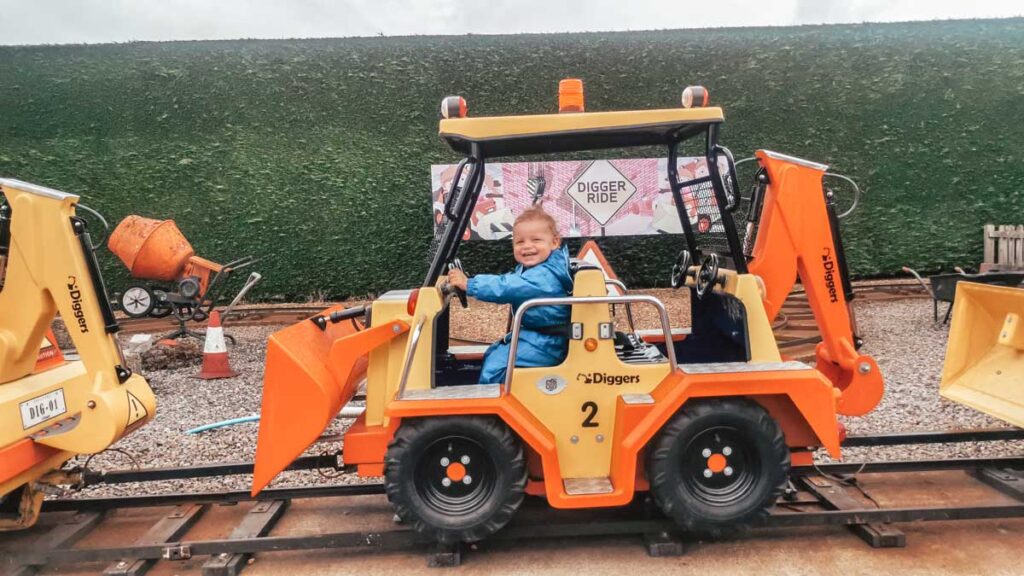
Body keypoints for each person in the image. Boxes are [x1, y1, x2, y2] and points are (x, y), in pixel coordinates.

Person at [448, 206, 573, 384]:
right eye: (520, 242)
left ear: (554, 242)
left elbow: (508, 286)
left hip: (548, 343)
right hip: (535, 336)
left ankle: (489, 408)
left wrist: (470, 284)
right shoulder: (536, 269)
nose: (527, 246)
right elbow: (510, 280)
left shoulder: (544, 276)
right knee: (492, 353)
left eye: (536, 240)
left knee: (495, 369)